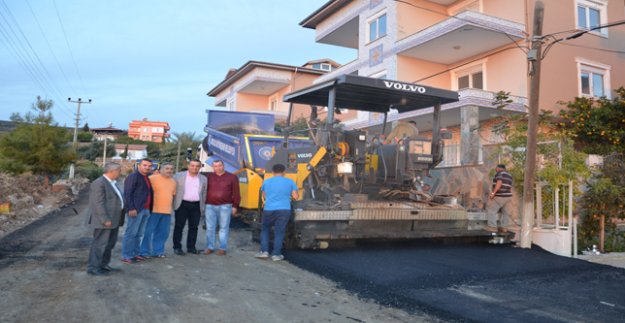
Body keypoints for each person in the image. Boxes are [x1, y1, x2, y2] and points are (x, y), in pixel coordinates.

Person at [85, 162, 124, 275]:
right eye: (119, 170)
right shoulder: (99, 183)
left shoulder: (112, 183)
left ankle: (103, 265)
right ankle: (93, 268)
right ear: (112, 171)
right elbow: (98, 203)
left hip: (114, 219)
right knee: (100, 244)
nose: (120, 173)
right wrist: (104, 219)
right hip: (104, 220)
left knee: (109, 244)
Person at [255, 163, 298, 261]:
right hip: (284, 209)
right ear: (284, 172)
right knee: (279, 231)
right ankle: (276, 254)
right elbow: (295, 197)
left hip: (269, 209)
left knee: (265, 229)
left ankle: (264, 252)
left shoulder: (266, 182)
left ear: (273, 172)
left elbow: (264, 195)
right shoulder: (290, 182)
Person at [204, 160, 240, 256]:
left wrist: (235, 206)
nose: (218, 168)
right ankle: (210, 247)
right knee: (210, 228)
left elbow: (236, 192)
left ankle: (222, 248)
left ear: (224, 166)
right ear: (213, 167)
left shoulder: (232, 177)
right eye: (215, 166)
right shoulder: (208, 177)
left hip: (225, 206)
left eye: (220, 165)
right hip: (210, 206)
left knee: (223, 228)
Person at [140, 162, 176, 258]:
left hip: (167, 212)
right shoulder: (152, 178)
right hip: (153, 210)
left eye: (171, 169)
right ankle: (144, 252)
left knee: (163, 233)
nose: (169, 170)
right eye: (167, 168)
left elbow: (172, 195)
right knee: (148, 232)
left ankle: (158, 251)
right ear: (161, 170)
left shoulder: (173, 181)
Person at [121, 158, 154, 264]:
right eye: (145, 165)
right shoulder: (133, 177)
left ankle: (135, 253)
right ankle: (126, 255)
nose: (147, 167)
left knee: (139, 234)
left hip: (146, 210)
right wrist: (131, 208)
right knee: (131, 233)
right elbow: (127, 193)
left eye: (149, 166)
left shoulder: (147, 177)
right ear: (139, 165)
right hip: (136, 209)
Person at [173, 159, 207, 255]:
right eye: (192, 165)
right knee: (179, 227)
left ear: (200, 167)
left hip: (196, 205)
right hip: (182, 204)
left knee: (194, 227)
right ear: (188, 166)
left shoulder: (204, 179)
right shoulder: (179, 176)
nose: (194, 168)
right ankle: (177, 247)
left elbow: (204, 193)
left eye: (197, 166)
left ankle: (191, 247)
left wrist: (203, 206)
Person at [485, 164, 514, 233]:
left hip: (500, 196)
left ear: (498, 168)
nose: (495, 169)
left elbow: (499, 182)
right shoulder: (509, 175)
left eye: (496, 168)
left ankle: (492, 227)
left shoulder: (499, 173)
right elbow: (509, 187)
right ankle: (504, 228)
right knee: (505, 213)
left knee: (491, 211)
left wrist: (493, 193)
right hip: (508, 196)